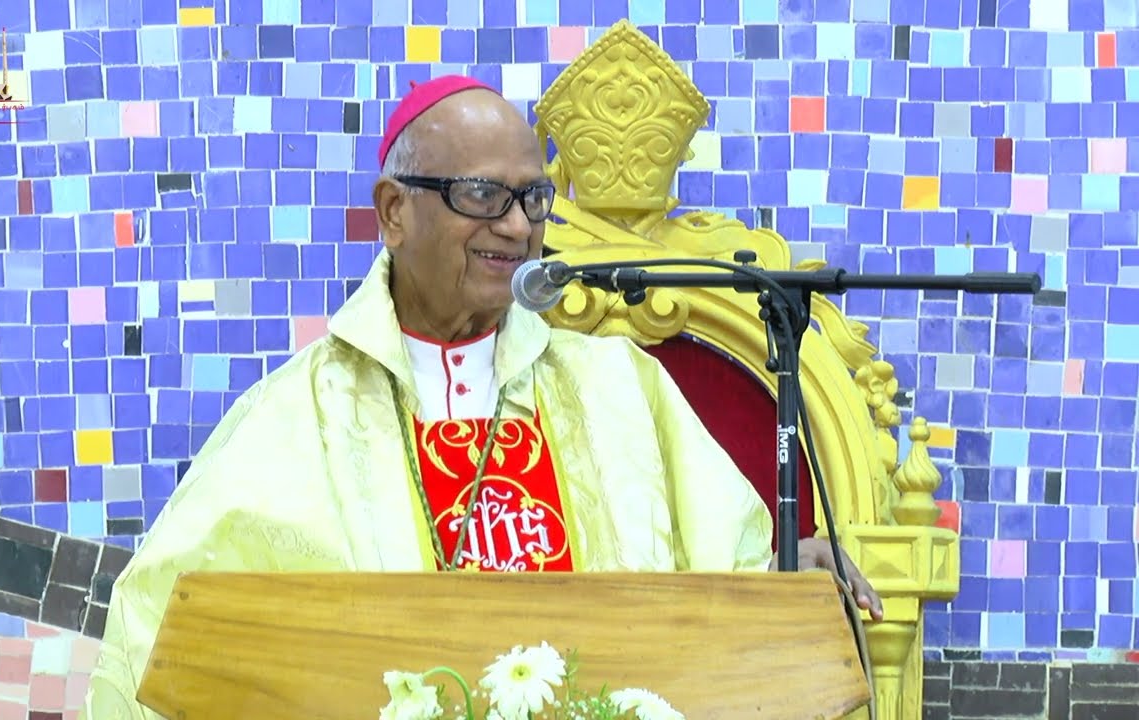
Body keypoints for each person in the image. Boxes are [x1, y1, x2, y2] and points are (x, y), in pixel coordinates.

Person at [79, 76, 883, 718]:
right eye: (481, 195)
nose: (517, 227)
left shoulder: (620, 387)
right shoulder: (293, 420)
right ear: (394, 212)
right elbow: (165, 638)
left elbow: (714, 593)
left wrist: (782, 578)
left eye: (533, 198)